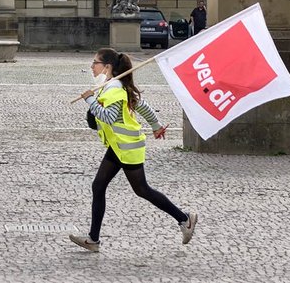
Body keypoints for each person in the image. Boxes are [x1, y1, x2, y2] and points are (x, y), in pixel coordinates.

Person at [68, 48, 197, 252]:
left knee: (142, 189)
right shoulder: (112, 85)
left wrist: (90, 100)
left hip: (127, 148)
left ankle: (184, 219)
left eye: (96, 62)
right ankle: (93, 239)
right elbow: (142, 105)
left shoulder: (114, 89)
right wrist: (155, 126)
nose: (92, 67)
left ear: (107, 67)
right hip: (118, 147)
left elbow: (108, 117)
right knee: (99, 186)